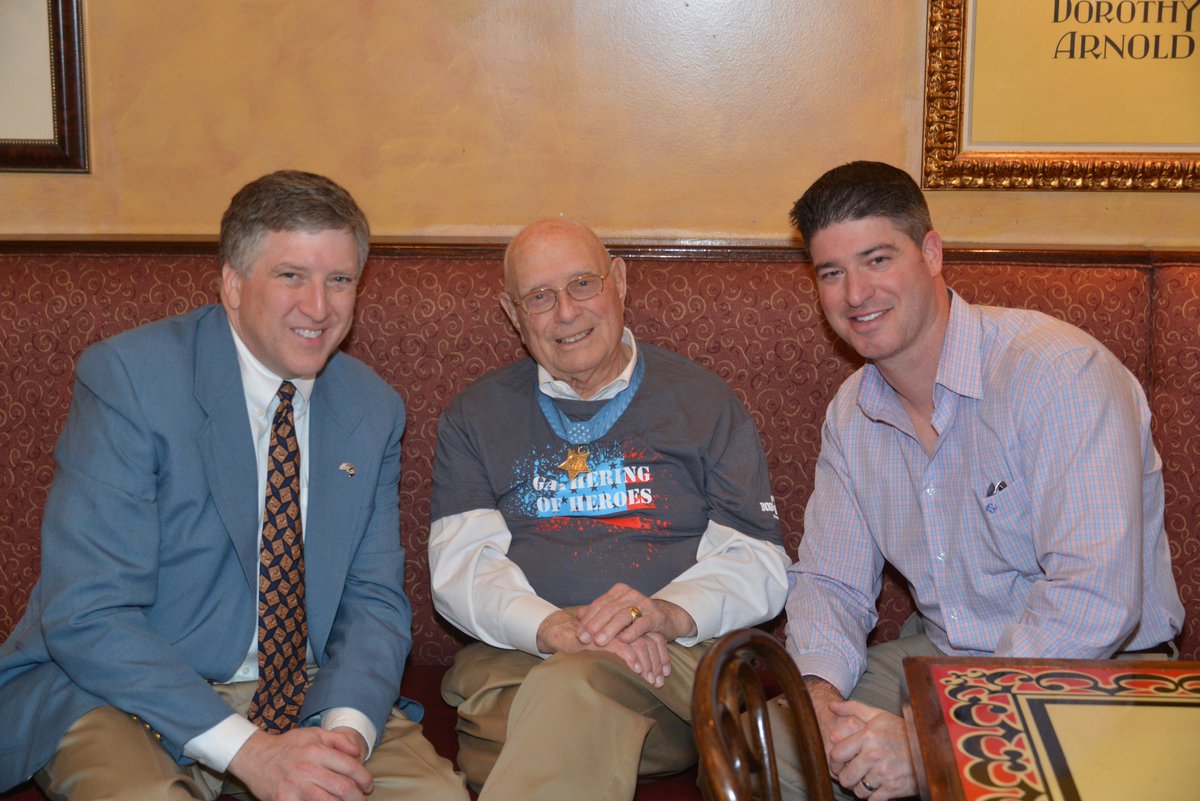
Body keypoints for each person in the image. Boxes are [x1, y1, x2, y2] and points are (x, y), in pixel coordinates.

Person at [0, 171, 467, 801]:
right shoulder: (131, 381)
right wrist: (251, 752)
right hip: (122, 690)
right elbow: (87, 612)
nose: (319, 307)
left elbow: (373, 601)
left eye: (340, 280)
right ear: (232, 284)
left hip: (308, 692)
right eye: (290, 276)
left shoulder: (371, 408)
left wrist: (347, 734)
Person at [779, 161, 1185, 800]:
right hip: (940, 654)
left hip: (1093, 672)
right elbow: (831, 581)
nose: (855, 293)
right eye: (831, 272)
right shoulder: (850, 413)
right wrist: (821, 701)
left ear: (932, 253)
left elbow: (1092, 600)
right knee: (779, 749)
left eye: (877, 259)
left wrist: (935, 738)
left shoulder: (1057, 375)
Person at [429, 217, 789, 801]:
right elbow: (460, 569)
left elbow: (759, 563)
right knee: (556, 690)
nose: (566, 312)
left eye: (583, 284)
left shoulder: (704, 402)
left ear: (619, 282)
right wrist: (555, 630)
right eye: (539, 297)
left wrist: (664, 614)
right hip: (523, 656)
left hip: (670, 659)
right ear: (512, 314)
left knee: (528, 715)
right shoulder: (475, 416)